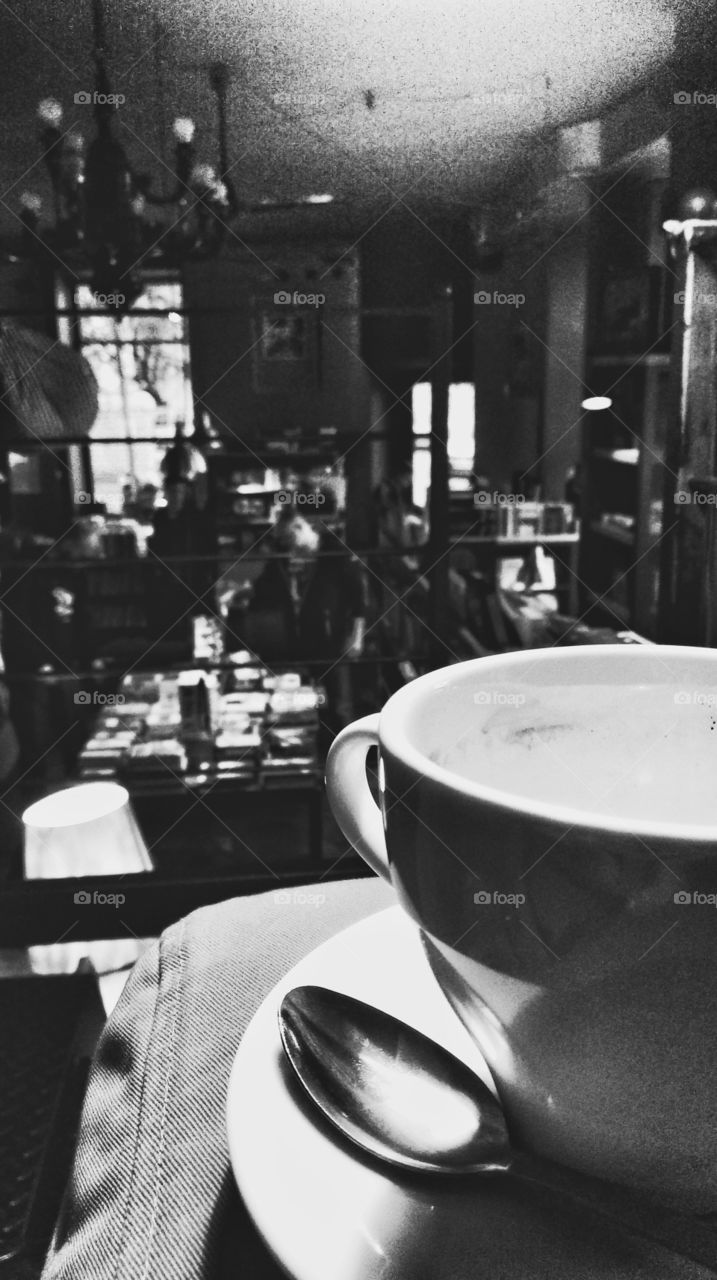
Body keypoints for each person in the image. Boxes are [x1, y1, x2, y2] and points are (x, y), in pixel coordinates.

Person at [240, 501, 369, 729]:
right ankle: (319, 749)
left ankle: (344, 754)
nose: (290, 549)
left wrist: (357, 636)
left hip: (333, 641)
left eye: (290, 541)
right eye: (285, 543)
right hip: (302, 641)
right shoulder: (285, 557)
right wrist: (245, 593)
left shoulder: (334, 551)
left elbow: (359, 596)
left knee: (339, 705)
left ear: (301, 528)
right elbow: (265, 586)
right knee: (311, 702)